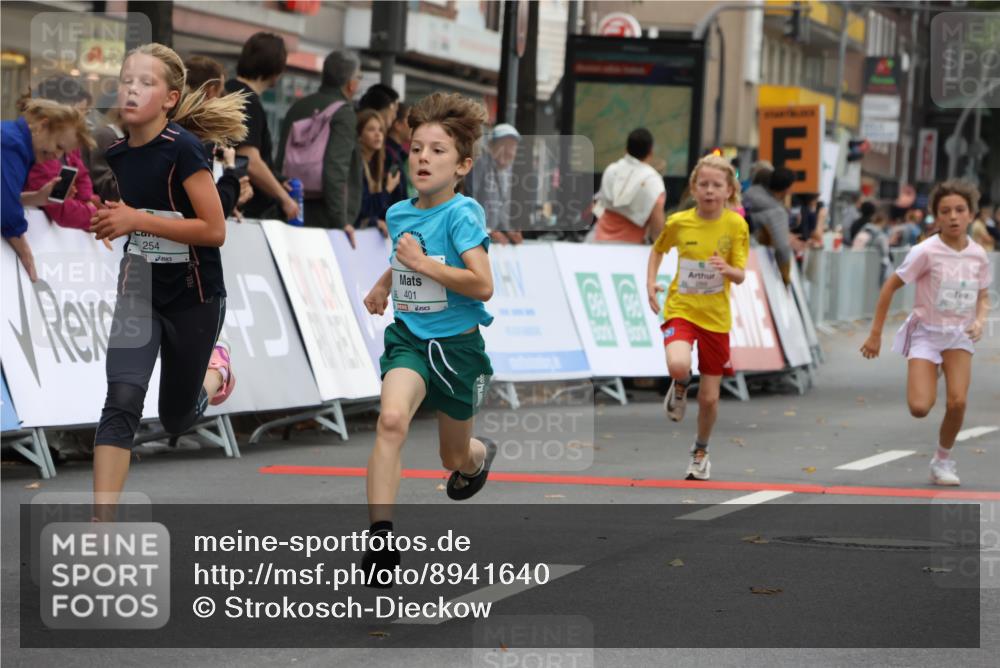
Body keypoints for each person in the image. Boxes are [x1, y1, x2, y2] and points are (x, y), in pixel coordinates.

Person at [88, 43, 246, 519]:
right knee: (122, 398)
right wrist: (112, 221)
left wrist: (137, 219)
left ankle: (216, 370)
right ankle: (102, 523)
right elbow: (131, 216)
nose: (132, 89)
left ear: (171, 98)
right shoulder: (116, 153)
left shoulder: (184, 149)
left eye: (146, 82)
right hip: (139, 288)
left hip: (194, 295)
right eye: (126, 80)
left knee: (177, 417)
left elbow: (214, 230)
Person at [360, 92, 495, 585]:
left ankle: (477, 458)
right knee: (391, 420)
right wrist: (385, 282)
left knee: (452, 457)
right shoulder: (400, 213)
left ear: (462, 165)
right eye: (417, 147)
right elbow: (403, 257)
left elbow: (482, 284)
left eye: (438, 151)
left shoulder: (464, 214)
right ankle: (381, 542)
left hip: (458, 351)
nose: (423, 158)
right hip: (410, 341)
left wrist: (422, 264)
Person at [861, 180, 992, 486]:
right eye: (945, 211)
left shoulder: (978, 255)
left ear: (971, 214)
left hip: (958, 335)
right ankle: (931, 369)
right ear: (935, 216)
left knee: (958, 402)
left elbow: (983, 297)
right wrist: (875, 334)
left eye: (960, 210)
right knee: (920, 408)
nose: (953, 217)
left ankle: (942, 460)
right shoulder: (925, 251)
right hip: (926, 333)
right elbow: (890, 287)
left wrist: (980, 321)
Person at [645, 154, 749, 481]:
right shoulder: (679, 223)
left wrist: (727, 269)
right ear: (693, 187)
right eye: (703, 184)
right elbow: (658, 249)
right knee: (677, 363)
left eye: (716, 185)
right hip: (682, 308)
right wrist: (651, 283)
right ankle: (680, 383)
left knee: (710, 398)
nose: (709, 191)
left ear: (729, 190)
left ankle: (700, 450)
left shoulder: (736, 225)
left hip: (716, 318)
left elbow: (741, 273)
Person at [2, 98, 93, 281]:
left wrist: (37, 198)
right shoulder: (11, 143)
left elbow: (6, 197)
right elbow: (6, 209)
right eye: (59, 146)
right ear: (42, 126)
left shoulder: (17, 143)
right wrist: (25, 252)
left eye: (64, 152)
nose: (57, 156)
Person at [276, 49, 362, 241]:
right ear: (351, 84)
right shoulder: (343, 113)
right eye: (359, 77)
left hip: (291, 206)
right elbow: (335, 169)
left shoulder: (298, 107)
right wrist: (341, 221)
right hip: (325, 218)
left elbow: (280, 159)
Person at [225, 32, 298, 222]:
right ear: (276, 67)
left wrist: (277, 180)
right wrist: (284, 199)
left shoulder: (228, 90)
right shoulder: (248, 101)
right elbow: (250, 159)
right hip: (246, 212)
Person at [25, 76, 100, 231]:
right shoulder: (41, 153)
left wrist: (86, 201)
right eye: (78, 115)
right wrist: (93, 213)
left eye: (85, 115)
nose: (82, 124)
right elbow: (60, 208)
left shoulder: (66, 146)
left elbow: (81, 176)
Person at [184, 55, 253, 218]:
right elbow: (217, 208)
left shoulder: (169, 128)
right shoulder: (198, 139)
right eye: (221, 92)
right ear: (211, 90)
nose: (223, 97)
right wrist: (231, 172)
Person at [591, 128, 666, 245]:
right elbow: (657, 229)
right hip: (631, 250)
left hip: (599, 242)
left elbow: (597, 208)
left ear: (626, 149)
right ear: (650, 152)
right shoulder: (654, 182)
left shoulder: (611, 170)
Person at [466, 123, 523, 245]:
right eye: (503, 145)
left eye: (512, 147)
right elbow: (468, 201)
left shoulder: (505, 172)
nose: (508, 151)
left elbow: (500, 210)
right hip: (472, 239)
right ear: (491, 146)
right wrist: (487, 231)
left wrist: (508, 232)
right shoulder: (480, 163)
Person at [355, 109, 405, 236]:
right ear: (359, 135)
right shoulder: (357, 165)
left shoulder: (374, 164)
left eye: (380, 130)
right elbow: (363, 208)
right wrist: (388, 189)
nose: (378, 134)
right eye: (371, 129)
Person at [742, 166, 795, 284]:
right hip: (754, 267)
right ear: (787, 189)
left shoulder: (748, 194)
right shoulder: (777, 212)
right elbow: (782, 248)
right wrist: (785, 276)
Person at [852, 210, 893, 285]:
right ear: (883, 221)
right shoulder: (880, 235)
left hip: (856, 264)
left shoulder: (864, 229)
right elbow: (885, 251)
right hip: (873, 269)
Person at [386, 101, 413, 198]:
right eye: (409, 120)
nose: (413, 125)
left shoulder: (399, 154)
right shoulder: (389, 155)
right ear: (397, 125)